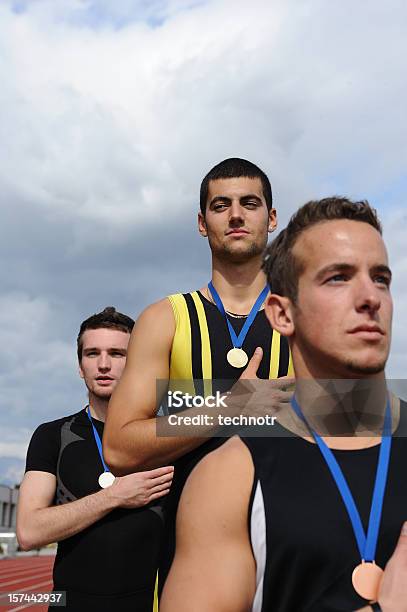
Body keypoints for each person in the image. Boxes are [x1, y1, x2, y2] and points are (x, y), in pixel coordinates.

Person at [161, 197, 407, 612]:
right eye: (338, 278)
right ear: (282, 314)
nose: (371, 297)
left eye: (380, 278)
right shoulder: (229, 476)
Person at [104, 158, 294, 587]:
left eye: (250, 202)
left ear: (272, 217)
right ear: (201, 223)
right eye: (221, 205)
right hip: (187, 563)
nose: (237, 215)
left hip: (291, 560)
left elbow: (351, 429)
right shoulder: (164, 319)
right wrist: (229, 408)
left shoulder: (304, 316)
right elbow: (118, 447)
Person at [17, 307, 174, 611]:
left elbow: (247, 409)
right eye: (92, 354)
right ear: (80, 366)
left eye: (117, 353)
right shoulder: (51, 435)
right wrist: (114, 496)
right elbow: (28, 531)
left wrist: (248, 393)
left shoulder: (168, 435)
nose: (103, 364)